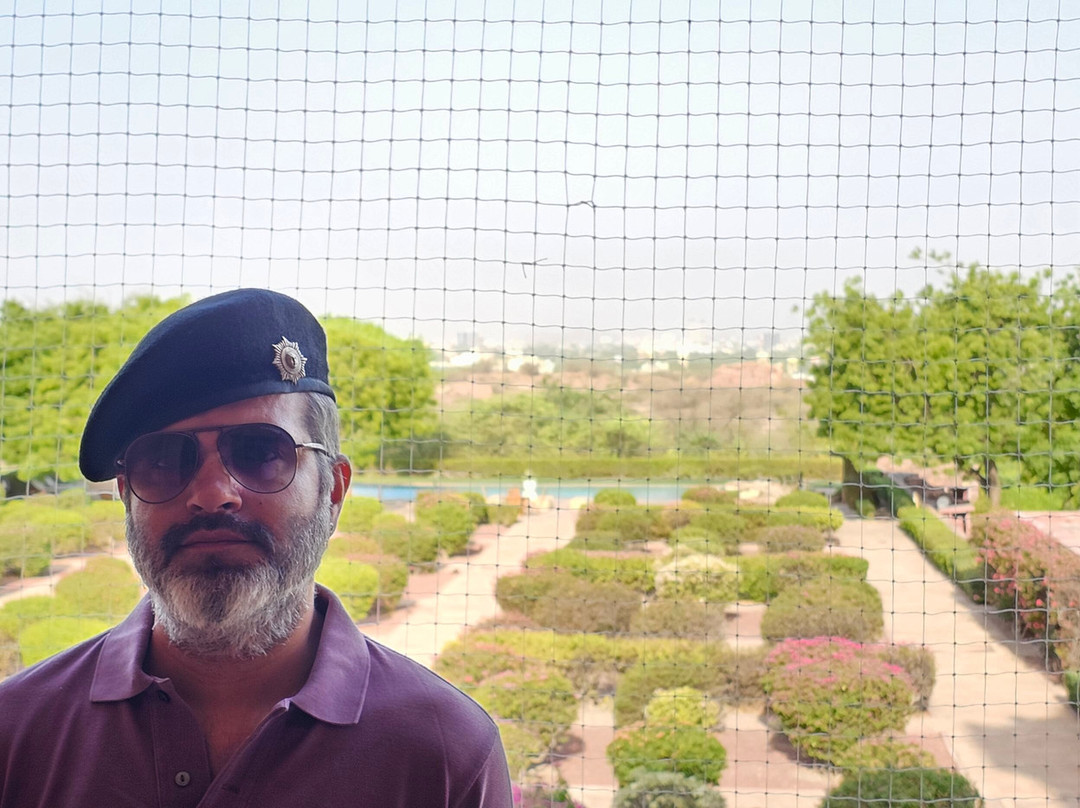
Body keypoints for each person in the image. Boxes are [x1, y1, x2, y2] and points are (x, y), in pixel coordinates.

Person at [0, 289, 513, 807]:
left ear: (333, 491)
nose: (211, 495)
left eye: (261, 451)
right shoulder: (16, 732)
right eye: (164, 459)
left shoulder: (446, 756)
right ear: (126, 495)